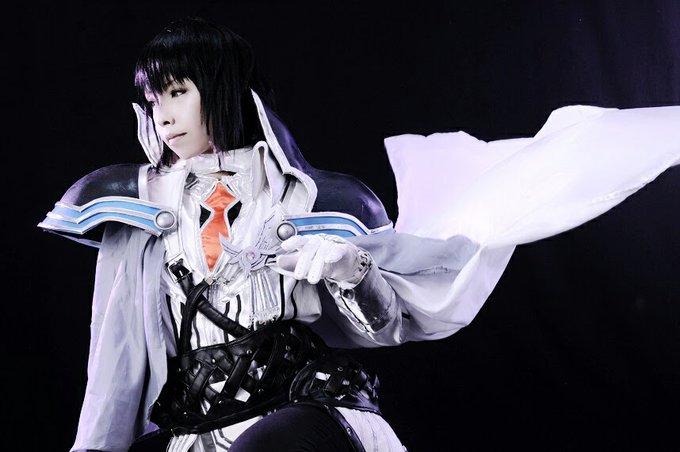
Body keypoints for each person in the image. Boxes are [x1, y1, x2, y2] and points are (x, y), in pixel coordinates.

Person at [38, 16, 680, 452]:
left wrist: (352, 269)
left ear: (221, 90)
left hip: (297, 410)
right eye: (154, 100)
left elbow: (384, 324)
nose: (164, 113)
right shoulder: (140, 209)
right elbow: (115, 356)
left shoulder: (306, 199)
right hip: (196, 427)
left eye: (178, 91)